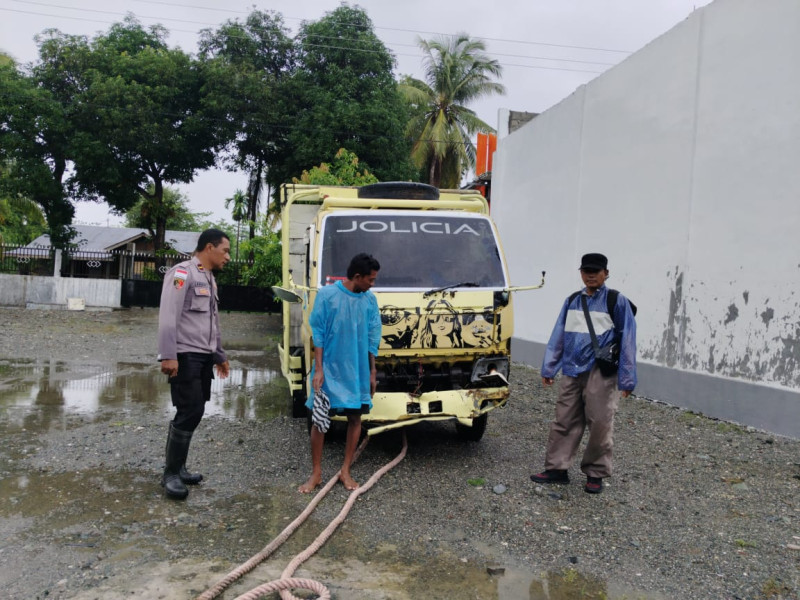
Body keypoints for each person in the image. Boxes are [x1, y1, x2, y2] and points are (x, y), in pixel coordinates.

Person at [530, 253, 637, 494]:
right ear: (580, 272)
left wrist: (627, 378)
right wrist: (549, 367)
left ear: (606, 273)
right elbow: (559, 335)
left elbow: (628, 339)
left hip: (601, 372)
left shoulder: (616, 301)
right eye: (586, 271)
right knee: (564, 420)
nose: (590, 275)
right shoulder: (572, 301)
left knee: (600, 423)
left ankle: (595, 472)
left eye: (595, 271)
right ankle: (557, 469)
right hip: (571, 370)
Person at [298, 253, 382, 494]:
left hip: (357, 370)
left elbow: (373, 336)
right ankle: (316, 473)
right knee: (320, 419)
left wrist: (372, 371)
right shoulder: (327, 295)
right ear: (357, 276)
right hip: (330, 369)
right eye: (370, 279)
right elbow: (319, 333)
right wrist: (319, 369)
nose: (372, 284)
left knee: (355, 418)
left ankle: (346, 470)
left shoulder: (369, 300)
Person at [157, 228, 231, 500]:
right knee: (190, 410)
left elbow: (212, 322)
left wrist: (219, 355)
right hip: (185, 354)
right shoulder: (182, 273)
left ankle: (179, 467)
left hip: (203, 356)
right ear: (209, 247)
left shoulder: (209, 279)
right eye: (225, 250)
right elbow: (168, 314)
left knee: (194, 411)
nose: (228, 257)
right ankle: (171, 474)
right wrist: (168, 354)